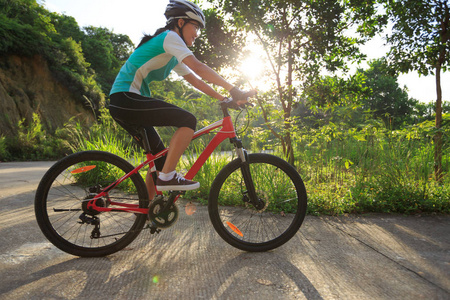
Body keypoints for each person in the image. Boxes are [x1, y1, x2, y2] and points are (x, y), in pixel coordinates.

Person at [109, 0, 252, 200]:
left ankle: (147, 210)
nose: (197, 33)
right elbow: (199, 67)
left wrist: (225, 98)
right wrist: (234, 89)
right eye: (195, 27)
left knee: (160, 159)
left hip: (125, 102)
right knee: (187, 120)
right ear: (181, 23)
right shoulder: (169, 37)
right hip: (125, 98)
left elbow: (195, 80)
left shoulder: (172, 51)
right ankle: (168, 178)